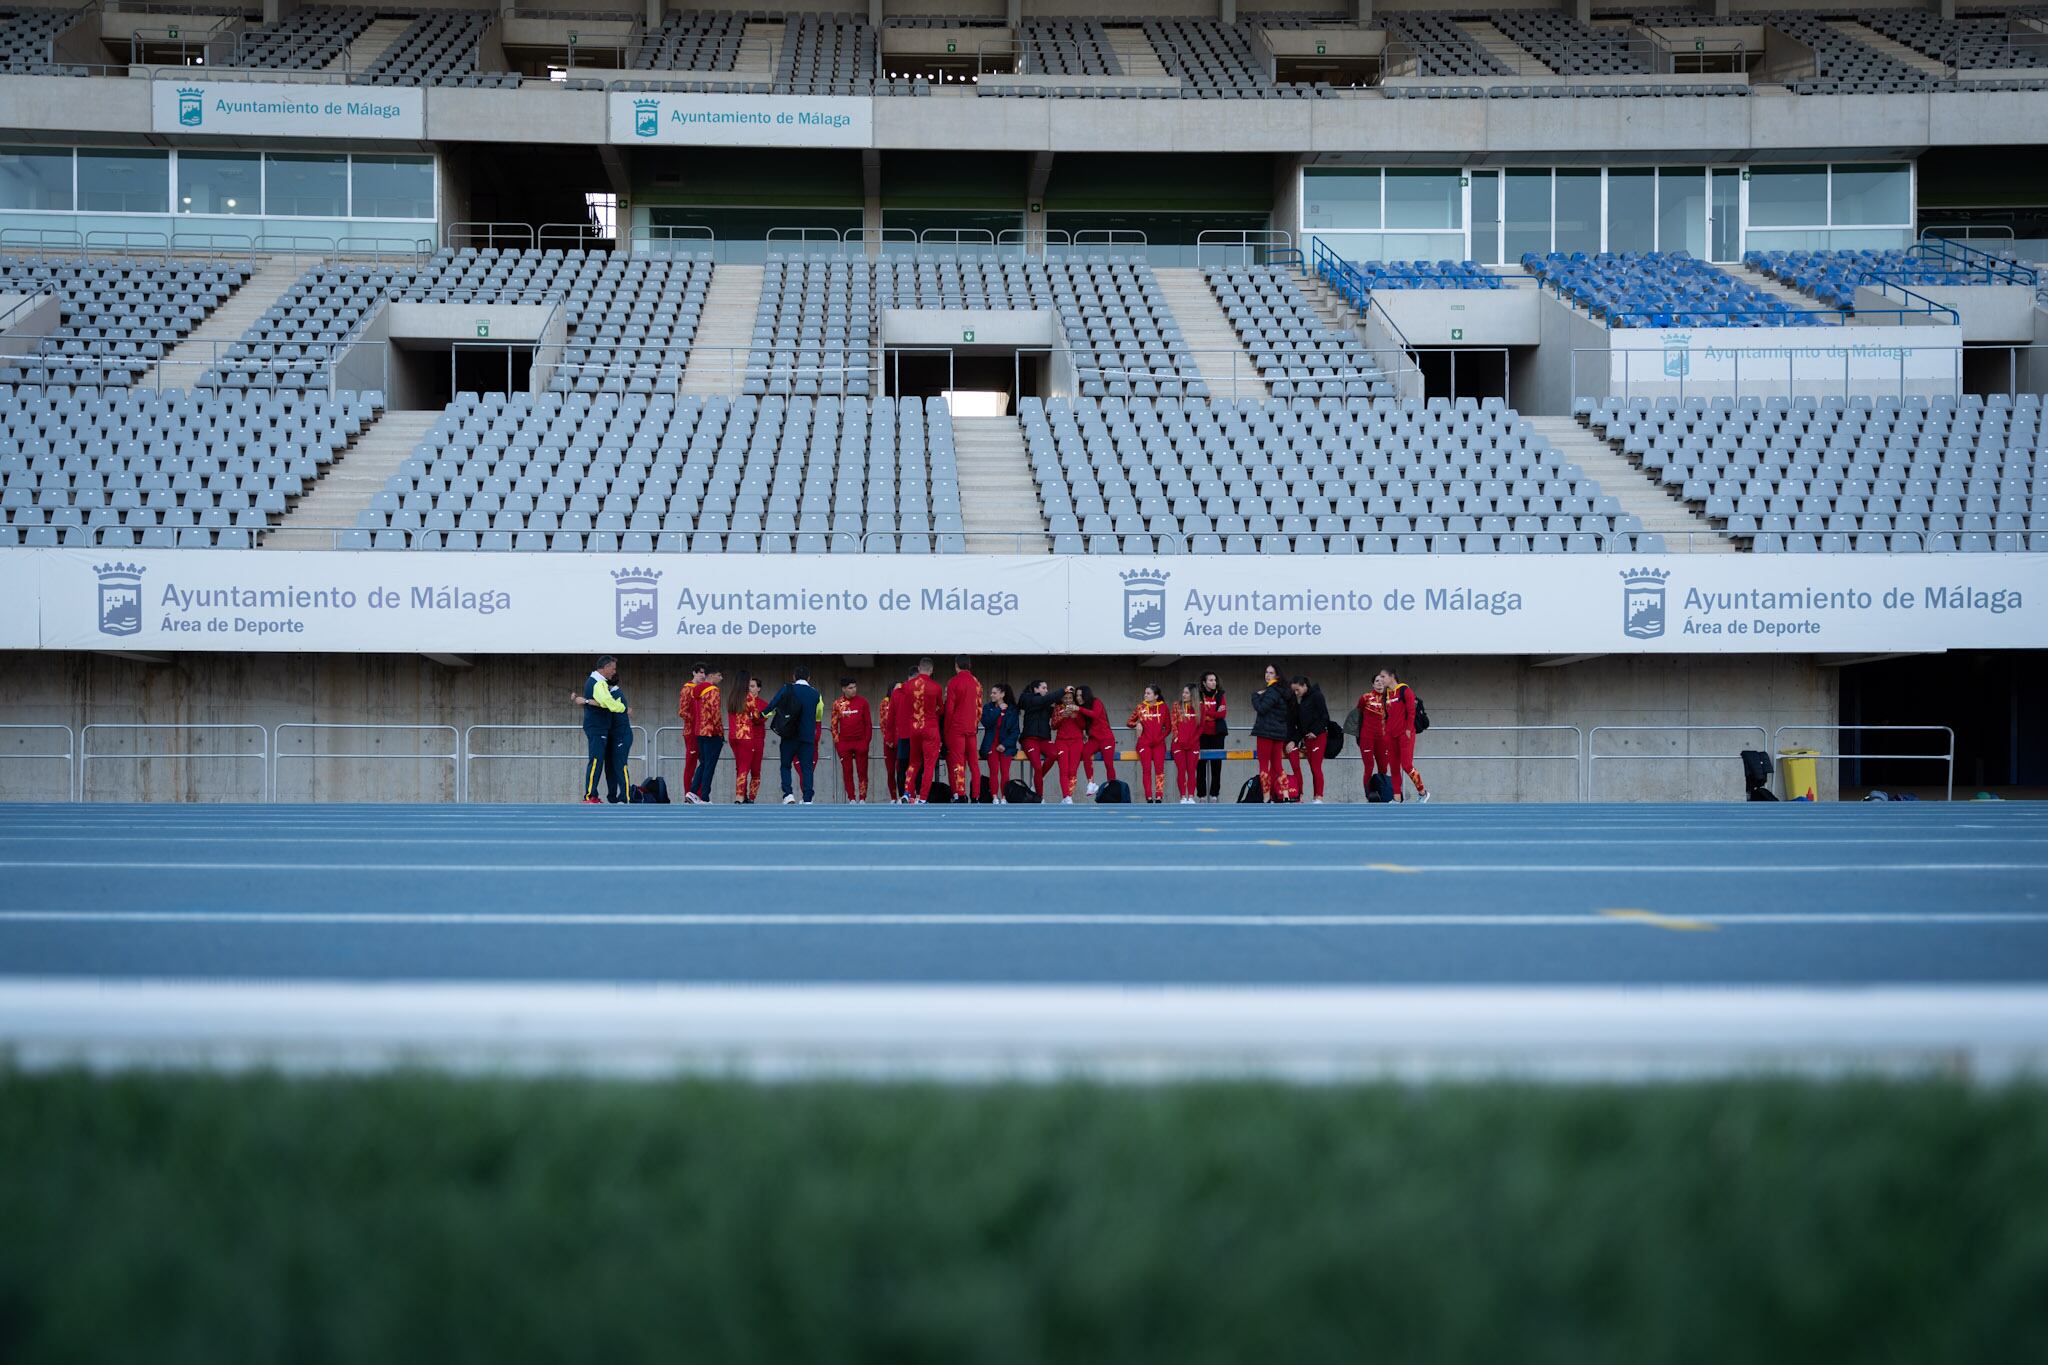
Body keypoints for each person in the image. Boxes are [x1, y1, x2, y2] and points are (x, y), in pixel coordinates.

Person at [763, 664, 825, 805]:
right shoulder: (815, 693)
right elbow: (819, 713)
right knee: (807, 767)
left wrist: (762, 714)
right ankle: (808, 798)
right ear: (809, 678)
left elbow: (774, 704)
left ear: (794, 677)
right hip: (807, 736)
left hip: (789, 734)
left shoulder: (787, 688)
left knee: (785, 765)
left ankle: (788, 794)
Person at [575, 655, 625, 805]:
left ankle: (593, 795)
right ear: (606, 667)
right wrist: (622, 707)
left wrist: (586, 701)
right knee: (596, 761)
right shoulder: (598, 683)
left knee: (598, 761)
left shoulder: (597, 681)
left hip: (599, 727)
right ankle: (589, 795)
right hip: (597, 727)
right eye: (613, 669)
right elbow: (608, 703)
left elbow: (602, 703)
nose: (614, 672)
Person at [1378, 667, 1429, 803]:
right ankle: (1396, 797)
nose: (1381, 680)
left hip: (1405, 734)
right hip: (1391, 734)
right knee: (1394, 767)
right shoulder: (1386, 694)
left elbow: (1411, 711)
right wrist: (1385, 732)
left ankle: (1422, 792)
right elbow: (1385, 715)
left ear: (1392, 677)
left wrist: (1408, 730)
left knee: (1406, 765)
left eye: (1383, 677)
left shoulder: (1404, 690)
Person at [900, 657, 946, 804]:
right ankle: (923, 797)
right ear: (931, 670)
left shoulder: (907, 686)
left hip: (914, 728)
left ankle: (907, 792)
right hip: (930, 728)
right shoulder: (936, 687)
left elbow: (905, 705)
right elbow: (940, 709)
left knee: (913, 762)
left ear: (919, 669)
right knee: (929, 764)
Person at [1250, 664, 1297, 801]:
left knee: (1264, 765)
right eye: (1266, 672)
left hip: (1266, 733)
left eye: (1271, 673)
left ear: (1277, 676)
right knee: (1278, 765)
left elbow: (1261, 708)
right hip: (1279, 733)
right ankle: (1286, 795)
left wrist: (1255, 696)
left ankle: (1266, 797)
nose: (1267, 675)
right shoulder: (1283, 691)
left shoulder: (1272, 691)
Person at [943, 655, 983, 803]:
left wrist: (947, 730)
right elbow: (979, 708)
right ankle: (976, 795)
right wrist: (975, 724)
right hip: (971, 729)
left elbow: (949, 710)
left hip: (956, 728)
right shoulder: (976, 682)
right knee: (974, 763)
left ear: (956, 665)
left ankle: (961, 794)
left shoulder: (953, 682)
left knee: (959, 762)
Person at [1288, 675, 1331, 804]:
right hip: (1308, 739)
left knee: (1316, 767)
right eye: (1294, 691)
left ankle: (1319, 796)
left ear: (1304, 686)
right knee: (1313, 767)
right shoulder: (1303, 701)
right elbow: (1301, 726)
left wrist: (1315, 732)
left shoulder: (1317, 696)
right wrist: (1294, 740)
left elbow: (1325, 717)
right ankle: (1315, 796)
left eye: (1297, 690)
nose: (1296, 693)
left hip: (1318, 737)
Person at [684, 666, 724, 804]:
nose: (721, 678)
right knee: (709, 766)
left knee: (704, 764)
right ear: (711, 676)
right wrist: (720, 731)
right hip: (711, 732)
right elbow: (715, 713)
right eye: (719, 675)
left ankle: (693, 792)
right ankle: (704, 797)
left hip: (698, 731)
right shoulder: (713, 691)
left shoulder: (695, 690)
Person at [830, 678, 872, 803]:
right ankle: (851, 798)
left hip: (860, 742)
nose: (853, 690)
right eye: (850, 688)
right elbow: (833, 725)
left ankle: (862, 798)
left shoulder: (863, 702)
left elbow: (868, 724)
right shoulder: (838, 703)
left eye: (854, 687)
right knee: (847, 772)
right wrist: (838, 744)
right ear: (843, 689)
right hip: (844, 743)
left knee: (862, 772)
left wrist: (866, 742)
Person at [727, 672, 766, 804]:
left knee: (740, 767)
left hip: (733, 736)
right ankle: (740, 797)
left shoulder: (731, 697)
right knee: (745, 767)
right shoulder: (749, 698)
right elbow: (756, 717)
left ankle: (742, 796)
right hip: (745, 736)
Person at [1128, 684, 1169, 804]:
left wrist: (1159, 738)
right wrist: (1137, 724)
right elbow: (1129, 722)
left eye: (1148, 693)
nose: (1145, 695)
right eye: (1145, 693)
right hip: (1144, 744)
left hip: (1159, 744)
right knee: (1146, 770)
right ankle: (1149, 797)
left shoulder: (1163, 708)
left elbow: (1168, 728)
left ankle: (1159, 796)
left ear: (1156, 696)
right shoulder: (1140, 707)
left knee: (1159, 769)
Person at [1050, 684, 1089, 804]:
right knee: (1063, 770)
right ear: (1061, 699)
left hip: (1077, 742)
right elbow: (1053, 726)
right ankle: (1066, 796)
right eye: (1065, 698)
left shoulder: (1078, 708)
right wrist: (1062, 716)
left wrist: (1075, 716)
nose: (1068, 700)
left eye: (1070, 698)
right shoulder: (1057, 708)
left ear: (1074, 699)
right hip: (1061, 742)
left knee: (1073, 771)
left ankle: (1068, 797)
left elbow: (1083, 726)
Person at [1076, 684, 1117, 796]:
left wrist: (1079, 708)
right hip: (1094, 739)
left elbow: (1095, 714)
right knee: (1085, 752)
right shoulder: (1081, 709)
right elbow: (1081, 725)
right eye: (1077, 695)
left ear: (1086, 695)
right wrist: (1075, 714)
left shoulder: (1096, 702)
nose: (1078, 697)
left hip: (1106, 738)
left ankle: (1112, 788)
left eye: (1080, 695)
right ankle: (1091, 783)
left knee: (1108, 764)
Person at [981, 683, 1019, 802]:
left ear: (1002, 694)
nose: (991, 695)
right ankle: (994, 797)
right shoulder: (987, 707)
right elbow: (986, 722)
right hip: (991, 743)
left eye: (994, 693)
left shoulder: (1012, 709)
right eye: (991, 693)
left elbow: (1015, 731)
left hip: (1006, 746)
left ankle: (1004, 797)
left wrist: (1005, 744)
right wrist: (998, 710)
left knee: (1005, 771)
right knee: (993, 771)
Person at [1017, 679, 1055, 794]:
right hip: (1029, 739)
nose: (1046, 690)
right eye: (1044, 688)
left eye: (1047, 688)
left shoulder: (1047, 704)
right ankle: (1040, 797)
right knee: (1037, 767)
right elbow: (1038, 701)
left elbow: (1056, 711)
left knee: (1054, 754)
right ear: (1036, 689)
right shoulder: (1027, 698)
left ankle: (1036, 780)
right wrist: (1063, 691)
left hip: (1044, 739)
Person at [1196, 672, 1228, 803]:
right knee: (1200, 766)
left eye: (1215, 680)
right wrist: (1214, 713)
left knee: (1216, 765)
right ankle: (1202, 796)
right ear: (1204, 683)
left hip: (1217, 734)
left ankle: (1214, 794)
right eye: (1210, 680)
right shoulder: (1198, 695)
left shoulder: (1220, 695)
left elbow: (1223, 714)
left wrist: (1207, 713)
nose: (1214, 682)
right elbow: (1199, 713)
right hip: (1202, 734)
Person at [676, 662, 707, 798]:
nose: (702, 675)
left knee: (704, 764)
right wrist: (697, 721)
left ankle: (697, 794)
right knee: (691, 764)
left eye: (704, 673)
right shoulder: (687, 689)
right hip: (691, 732)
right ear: (694, 673)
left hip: (702, 732)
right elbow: (682, 711)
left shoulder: (704, 689)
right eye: (700, 672)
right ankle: (688, 793)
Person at [1356, 676, 1390, 799]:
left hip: (1383, 738)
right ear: (1372, 684)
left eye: (1382, 681)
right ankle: (1369, 795)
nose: (1380, 683)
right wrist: (1358, 736)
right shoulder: (1365, 698)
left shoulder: (1390, 699)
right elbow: (1358, 718)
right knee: (1369, 767)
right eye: (1377, 681)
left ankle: (1382, 793)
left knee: (1383, 768)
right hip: (1367, 737)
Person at [606, 668, 635, 804]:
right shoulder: (610, 694)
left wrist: (584, 701)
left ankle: (625, 796)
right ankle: (612, 797)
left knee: (620, 765)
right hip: (613, 736)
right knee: (610, 767)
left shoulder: (616, 694)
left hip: (622, 736)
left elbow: (606, 707)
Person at [1171, 684, 1202, 805]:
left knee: (1191, 770)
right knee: (1181, 769)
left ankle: (1191, 796)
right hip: (1179, 745)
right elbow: (1173, 723)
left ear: (1193, 694)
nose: (1183, 695)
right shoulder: (1176, 705)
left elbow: (1201, 727)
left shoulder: (1200, 707)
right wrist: (1178, 738)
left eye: (1187, 693)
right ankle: (1183, 796)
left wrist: (1194, 739)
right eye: (1183, 692)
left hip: (1193, 744)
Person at [888, 669, 916, 802]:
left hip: (905, 736)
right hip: (914, 736)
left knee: (903, 768)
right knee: (913, 767)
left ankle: (904, 795)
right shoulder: (918, 692)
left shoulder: (898, 693)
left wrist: (889, 736)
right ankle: (911, 796)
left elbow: (891, 717)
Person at [878, 675, 900, 801]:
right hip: (889, 743)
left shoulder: (904, 701)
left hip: (902, 742)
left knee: (901, 770)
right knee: (891, 771)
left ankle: (905, 796)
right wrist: (888, 739)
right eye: (896, 688)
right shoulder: (885, 702)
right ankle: (893, 797)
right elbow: (883, 723)